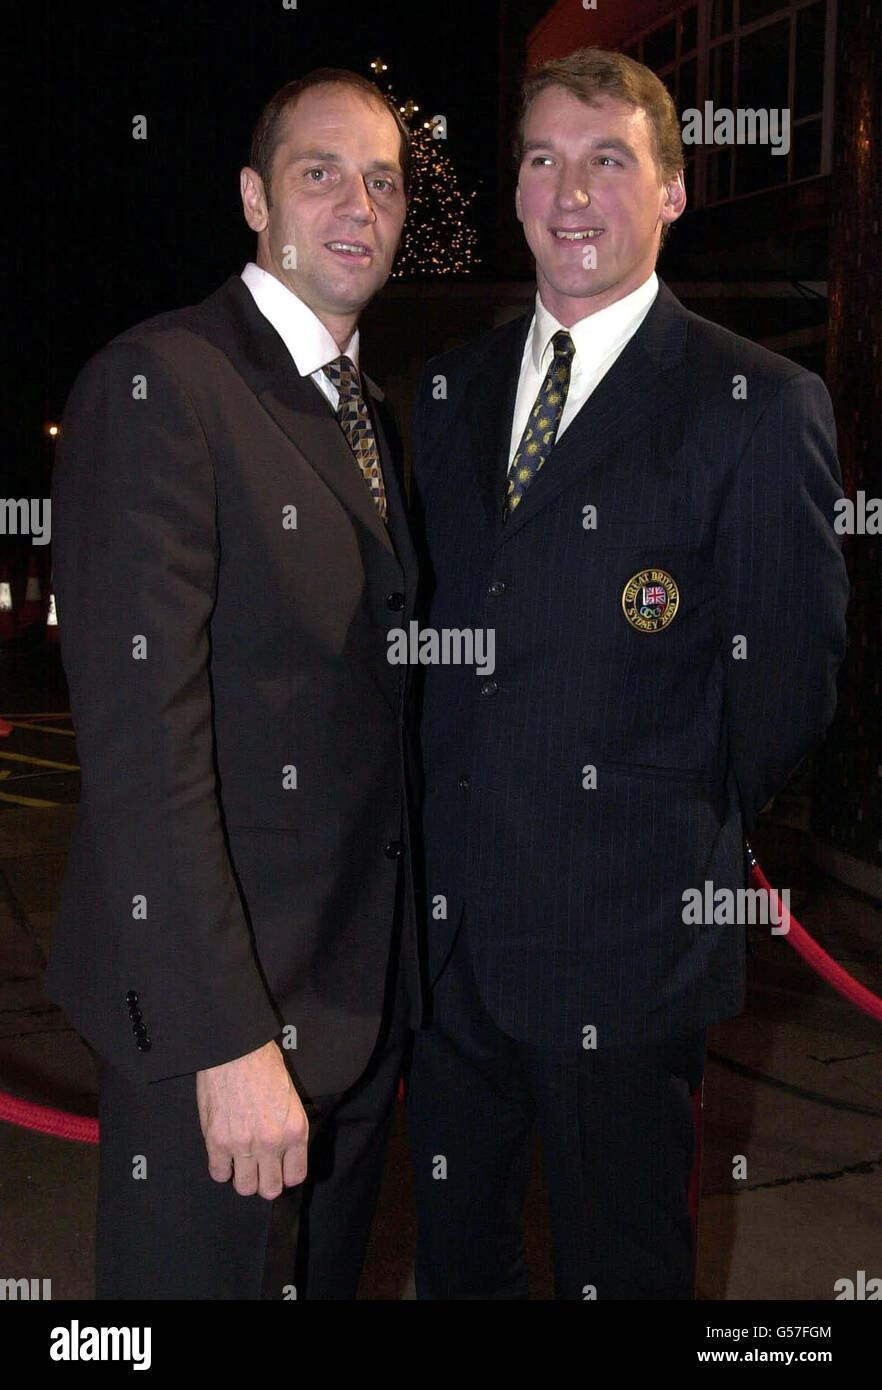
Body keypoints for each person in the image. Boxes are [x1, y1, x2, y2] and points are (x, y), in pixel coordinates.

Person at [406, 47, 848, 1300]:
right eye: (544, 158)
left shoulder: (758, 403)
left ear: (671, 192)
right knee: (457, 1267)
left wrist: (658, 827)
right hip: (443, 956)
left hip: (628, 948)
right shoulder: (443, 389)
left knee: (624, 1269)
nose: (572, 189)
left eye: (610, 159)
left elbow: (785, 693)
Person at [46, 68, 421, 1300]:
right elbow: (143, 745)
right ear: (257, 197)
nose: (358, 203)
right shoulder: (166, 383)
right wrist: (227, 1038)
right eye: (322, 172)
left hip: (352, 1017)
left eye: (384, 180)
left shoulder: (365, 414)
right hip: (225, 1029)